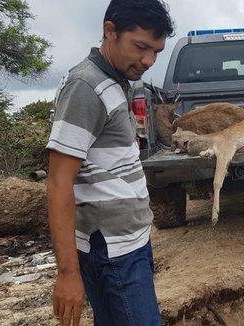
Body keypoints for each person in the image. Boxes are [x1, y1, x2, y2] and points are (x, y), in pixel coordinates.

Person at [45, 1, 174, 325]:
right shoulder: (86, 87)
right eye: (141, 47)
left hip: (129, 240)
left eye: (156, 51)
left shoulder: (121, 79)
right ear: (110, 31)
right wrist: (68, 273)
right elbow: (59, 181)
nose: (148, 60)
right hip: (112, 251)